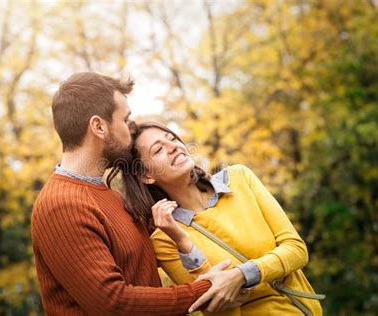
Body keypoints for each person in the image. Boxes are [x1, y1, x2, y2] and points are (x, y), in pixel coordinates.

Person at [31, 72, 251, 315]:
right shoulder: (61, 205)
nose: (131, 128)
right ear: (99, 126)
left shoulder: (110, 197)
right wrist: (207, 289)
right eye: (125, 120)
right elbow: (113, 303)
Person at [111, 121, 323, 315]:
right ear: (146, 176)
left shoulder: (240, 178)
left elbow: (296, 250)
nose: (173, 146)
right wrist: (184, 243)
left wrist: (241, 275)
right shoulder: (165, 239)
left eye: (172, 139)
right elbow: (216, 308)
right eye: (158, 149)